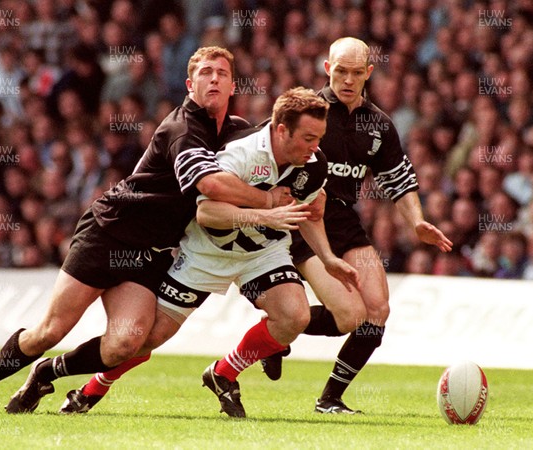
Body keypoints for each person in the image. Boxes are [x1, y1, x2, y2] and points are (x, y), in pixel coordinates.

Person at [0, 46, 293, 413]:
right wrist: (268, 203)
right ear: (189, 84)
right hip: (109, 232)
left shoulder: (238, 133)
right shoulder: (183, 128)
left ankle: (45, 374)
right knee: (49, 331)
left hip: (151, 252)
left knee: (126, 343)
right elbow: (210, 185)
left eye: (222, 74)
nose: (214, 78)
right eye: (206, 72)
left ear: (232, 86)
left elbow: (279, 144)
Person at [60, 87, 358, 419]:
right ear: (281, 130)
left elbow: (311, 213)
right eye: (307, 138)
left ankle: (223, 373)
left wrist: (329, 258)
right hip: (206, 252)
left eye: (319, 137)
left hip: (262, 252)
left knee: (294, 316)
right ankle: (89, 389)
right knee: (147, 338)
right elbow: (206, 214)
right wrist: (264, 213)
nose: (315, 147)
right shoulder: (240, 154)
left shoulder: (314, 164)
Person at [260, 37, 453, 414]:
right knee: (349, 315)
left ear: (369, 72)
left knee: (377, 309)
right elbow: (265, 155)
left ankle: (329, 397)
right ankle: (278, 330)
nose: (347, 80)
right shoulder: (309, 113)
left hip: (345, 220)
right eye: (340, 71)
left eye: (356, 72)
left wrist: (417, 222)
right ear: (328, 69)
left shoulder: (378, 125)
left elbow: (400, 180)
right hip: (302, 220)